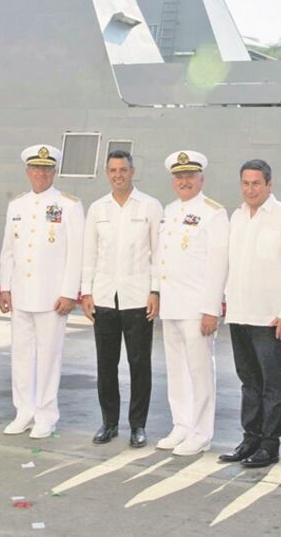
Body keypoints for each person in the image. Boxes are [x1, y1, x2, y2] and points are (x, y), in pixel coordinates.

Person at [218, 159, 281, 468]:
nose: (250, 189)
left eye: (257, 183)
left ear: (269, 185)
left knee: (272, 383)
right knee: (248, 382)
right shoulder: (237, 216)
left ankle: (270, 445)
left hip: (271, 319)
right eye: (245, 183)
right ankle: (250, 438)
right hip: (240, 314)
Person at [0, 144, 84, 440]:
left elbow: (76, 253)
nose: (41, 173)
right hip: (21, 293)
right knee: (21, 355)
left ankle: (46, 415)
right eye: (36, 168)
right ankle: (24, 411)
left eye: (46, 169)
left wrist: (70, 292)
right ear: (28, 171)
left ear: (54, 171)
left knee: (49, 356)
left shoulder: (69, 205)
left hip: (52, 297)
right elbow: (9, 249)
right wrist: (5, 287)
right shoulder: (17, 206)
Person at [81, 149, 162, 448]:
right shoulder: (97, 209)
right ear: (107, 173)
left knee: (139, 364)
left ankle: (137, 425)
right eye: (113, 170)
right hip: (104, 296)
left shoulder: (150, 206)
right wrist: (86, 290)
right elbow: (90, 253)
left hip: (138, 298)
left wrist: (155, 290)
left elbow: (159, 253)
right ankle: (109, 422)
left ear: (132, 171)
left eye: (123, 170)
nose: (118, 175)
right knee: (106, 363)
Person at [153, 150, 228, 456]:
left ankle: (201, 432)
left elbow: (219, 263)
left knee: (199, 371)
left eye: (190, 176)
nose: (184, 181)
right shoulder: (170, 210)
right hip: (171, 304)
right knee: (176, 370)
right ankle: (181, 424)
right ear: (174, 180)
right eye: (179, 176)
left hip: (197, 308)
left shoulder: (213, 213)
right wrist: (156, 293)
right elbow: (161, 257)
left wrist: (211, 308)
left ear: (201, 178)